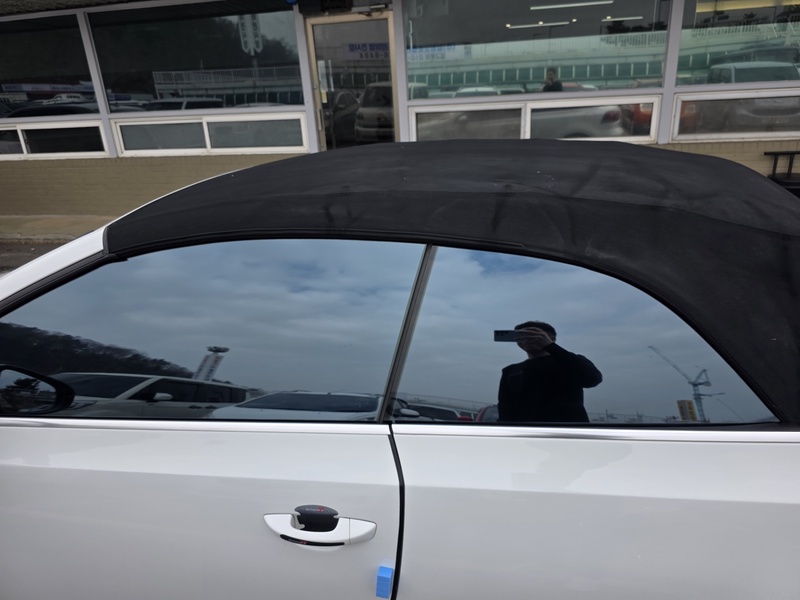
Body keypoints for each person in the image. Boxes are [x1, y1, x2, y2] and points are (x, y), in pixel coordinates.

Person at [498, 321, 601, 423]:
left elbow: (592, 379)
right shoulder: (511, 371)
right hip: (527, 430)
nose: (528, 339)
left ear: (552, 338)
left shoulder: (569, 361)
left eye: (534, 334)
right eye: (521, 335)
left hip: (569, 429)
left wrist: (551, 347)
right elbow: (505, 409)